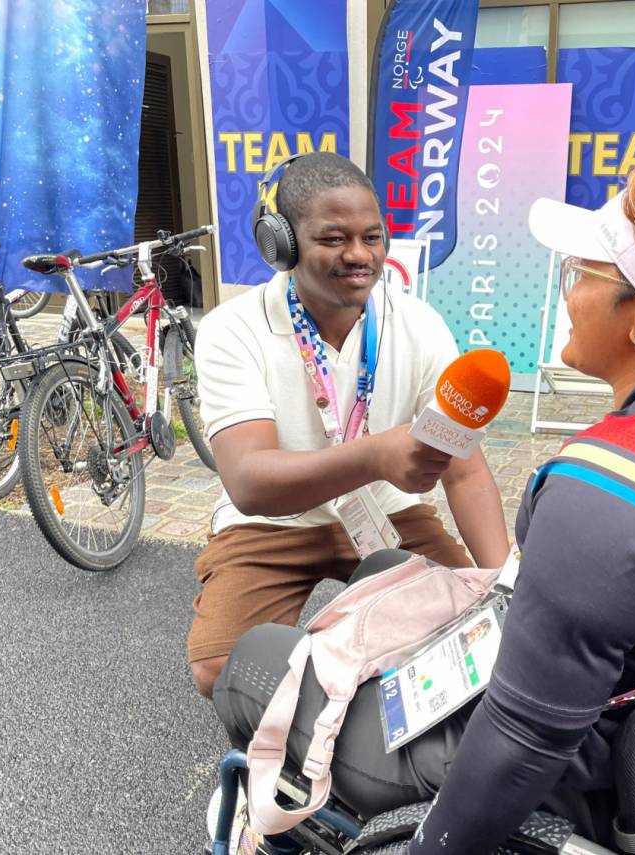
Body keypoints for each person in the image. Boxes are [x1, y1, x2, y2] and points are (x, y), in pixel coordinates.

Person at [212, 156, 635, 851]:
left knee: (256, 657)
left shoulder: (604, 491)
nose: (564, 290)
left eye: (581, 272)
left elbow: (523, 737)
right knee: (385, 565)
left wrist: (432, 847)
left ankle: (282, 830)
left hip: (570, 764)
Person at [188, 152, 510, 698]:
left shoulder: (420, 325)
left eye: (373, 237)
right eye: (333, 239)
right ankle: (336, 706)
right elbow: (247, 483)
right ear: (281, 244)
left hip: (388, 513)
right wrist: (375, 454)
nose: (359, 255)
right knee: (221, 667)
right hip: (276, 525)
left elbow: (465, 472)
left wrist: (504, 584)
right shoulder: (231, 330)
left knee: (473, 632)